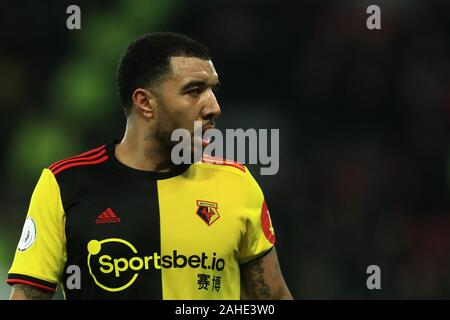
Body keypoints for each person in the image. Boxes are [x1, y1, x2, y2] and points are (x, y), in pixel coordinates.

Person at [7, 32, 292, 300]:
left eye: (213, 90)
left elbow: (273, 297)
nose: (214, 107)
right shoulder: (65, 184)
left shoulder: (236, 183)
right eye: (194, 91)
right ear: (145, 103)